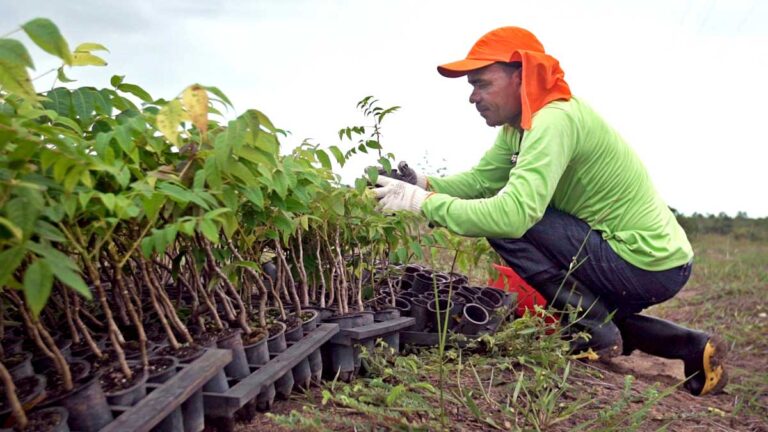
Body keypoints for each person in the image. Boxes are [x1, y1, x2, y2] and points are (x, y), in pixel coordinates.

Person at [372, 26, 727, 396]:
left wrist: (420, 203)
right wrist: (424, 184)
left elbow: (512, 216)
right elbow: (482, 181)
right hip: (651, 261)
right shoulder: (520, 127)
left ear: (522, 75)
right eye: (471, 86)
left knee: (513, 231)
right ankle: (690, 346)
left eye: (482, 83)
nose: (473, 97)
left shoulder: (554, 120)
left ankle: (593, 331)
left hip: (644, 263)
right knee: (575, 304)